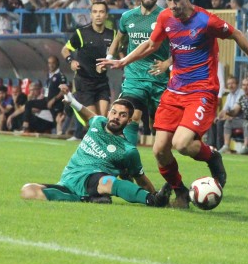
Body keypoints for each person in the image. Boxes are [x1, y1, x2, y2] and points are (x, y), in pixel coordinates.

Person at [99, 0, 248, 207]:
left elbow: (235, 33)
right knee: (159, 150)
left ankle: (212, 156)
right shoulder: (165, 17)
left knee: (182, 144)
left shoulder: (206, 21)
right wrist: (124, 61)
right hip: (175, 90)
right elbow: (152, 45)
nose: (173, 5)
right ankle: (180, 191)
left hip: (201, 91)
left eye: (177, 0)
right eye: (169, 0)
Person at [20, 86, 172, 207]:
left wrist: (154, 196)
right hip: (68, 182)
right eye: (114, 112)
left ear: (130, 120)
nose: (116, 117)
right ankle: (86, 199)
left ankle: (151, 201)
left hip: (94, 180)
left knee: (107, 182)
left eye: (122, 115)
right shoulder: (98, 122)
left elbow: (141, 179)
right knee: (27, 191)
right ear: (108, 113)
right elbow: (88, 114)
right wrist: (71, 100)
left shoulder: (128, 150)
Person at [106, 0, 171, 147]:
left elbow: (179, 46)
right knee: (132, 116)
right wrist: (110, 57)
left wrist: (168, 63)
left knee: (158, 126)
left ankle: (160, 150)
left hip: (158, 77)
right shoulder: (127, 17)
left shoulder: (166, 17)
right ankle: (128, 157)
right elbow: (118, 39)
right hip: (134, 77)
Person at [62, 2, 114, 140]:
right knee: (94, 122)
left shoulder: (112, 34)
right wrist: (70, 61)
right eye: (95, 11)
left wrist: (108, 64)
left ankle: (102, 151)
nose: (98, 15)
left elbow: (114, 56)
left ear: (106, 15)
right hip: (84, 83)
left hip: (102, 82)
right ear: (91, 14)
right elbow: (65, 49)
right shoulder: (81, 33)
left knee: (102, 120)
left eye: (101, 12)